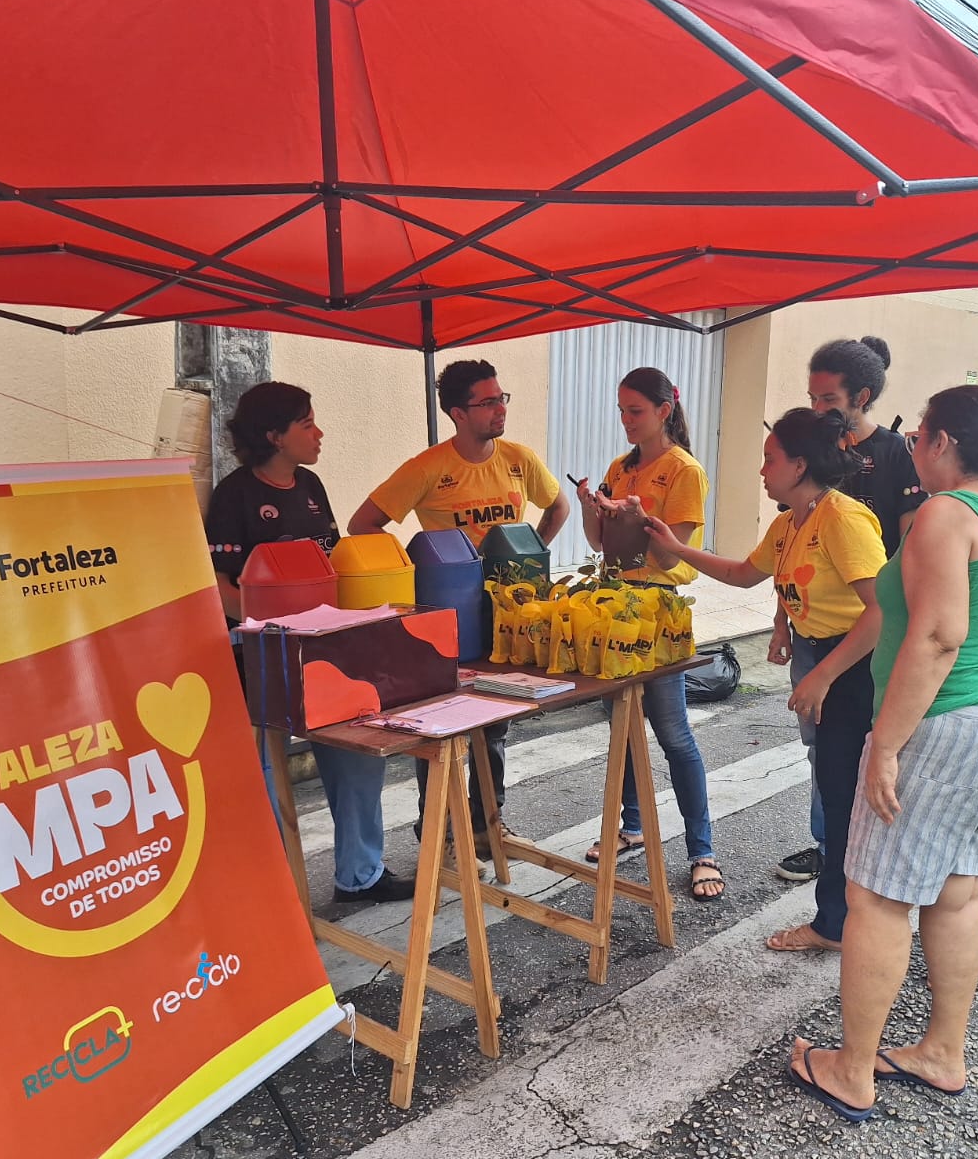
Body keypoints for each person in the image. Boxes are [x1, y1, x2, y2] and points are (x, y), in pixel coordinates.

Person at [786, 384, 978, 1123]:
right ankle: (941, 1052)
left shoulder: (942, 515)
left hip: (947, 726)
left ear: (942, 442)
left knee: (874, 898)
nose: (913, 449)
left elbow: (936, 638)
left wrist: (886, 746)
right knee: (957, 891)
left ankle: (852, 1069)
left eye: (921, 435)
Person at [645, 408, 885, 950]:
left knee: (844, 795)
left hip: (854, 669)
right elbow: (746, 574)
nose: (761, 471)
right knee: (834, 785)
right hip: (819, 656)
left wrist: (823, 675)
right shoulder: (790, 521)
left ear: (799, 465)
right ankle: (846, 917)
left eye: (769, 460)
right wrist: (677, 549)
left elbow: (882, 611)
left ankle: (836, 924)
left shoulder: (843, 520)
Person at [347, 359, 570, 865]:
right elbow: (364, 524)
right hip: (445, 619)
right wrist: (418, 568)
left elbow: (557, 507)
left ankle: (488, 824)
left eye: (501, 398)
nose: (500, 409)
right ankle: (439, 831)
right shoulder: (429, 468)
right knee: (440, 722)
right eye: (487, 402)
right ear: (457, 413)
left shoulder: (519, 459)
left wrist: (530, 554)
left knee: (496, 721)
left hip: (505, 614)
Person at [205, 381, 414, 904]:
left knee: (362, 754)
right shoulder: (235, 496)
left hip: (326, 651)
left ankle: (360, 874)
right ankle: (273, 890)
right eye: (307, 424)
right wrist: (279, 625)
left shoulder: (311, 486)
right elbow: (219, 585)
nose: (319, 434)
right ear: (275, 435)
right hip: (261, 657)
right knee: (263, 774)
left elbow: (332, 562)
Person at [772, 336, 924, 885]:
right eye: (811, 398)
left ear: (861, 396)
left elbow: (910, 549)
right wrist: (782, 619)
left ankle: (859, 855)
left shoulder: (892, 456)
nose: (818, 409)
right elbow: (791, 552)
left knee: (863, 751)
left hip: (872, 630)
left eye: (828, 399)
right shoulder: (812, 455)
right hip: (817, 628)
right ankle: (830, 845)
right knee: (823, 754)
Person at [574, 367, 721, 902]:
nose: (625, 421)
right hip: (617, 607)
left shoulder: (684, 470)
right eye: (621, 410)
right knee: (625, 726)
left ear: (664, 409)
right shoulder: (620, 467)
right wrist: (598, 511)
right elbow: (599, 544)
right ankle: (630, 826)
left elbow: (673, 555)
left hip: (658, 610)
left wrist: (639, 521)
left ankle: (702, 849)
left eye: (635, 410)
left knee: (672, 732)